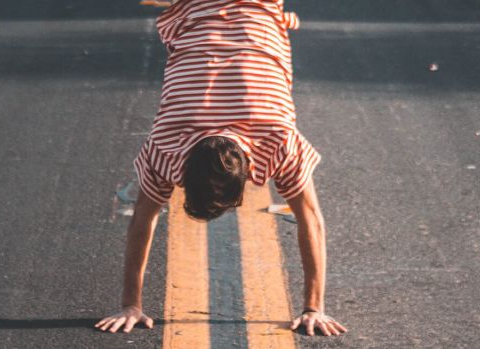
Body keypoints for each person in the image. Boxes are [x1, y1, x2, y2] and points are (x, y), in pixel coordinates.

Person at [94, 0, 347, 337]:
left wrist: (132, 305)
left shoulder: (274, 138)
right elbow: (310, 217)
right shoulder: (170, 141)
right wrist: (313, 308)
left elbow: (144, 217)